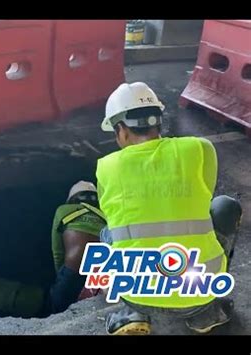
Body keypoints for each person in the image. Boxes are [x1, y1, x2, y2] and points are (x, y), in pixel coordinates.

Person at [96, 82, 243, 335]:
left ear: (120, 129)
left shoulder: (107, 167)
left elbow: (114, 216)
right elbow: (204, 196)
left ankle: (133, 313)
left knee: (109, 232)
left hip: (137, 293)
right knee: (224, 207)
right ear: (158, 122)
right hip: (199, 290)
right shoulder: (199, 148)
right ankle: (206, 314)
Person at [49, 181, 107, 313]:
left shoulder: (63, 210)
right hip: (100, 269)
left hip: (74, 267)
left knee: (58, 304)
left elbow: (57, 249)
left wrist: (61, 275)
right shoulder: (105, 214)